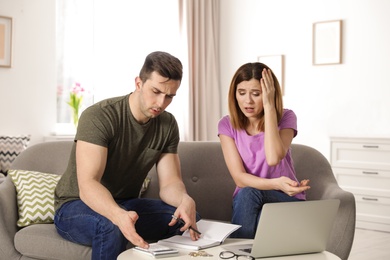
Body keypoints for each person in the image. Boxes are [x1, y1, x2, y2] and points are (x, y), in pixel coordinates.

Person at [54, 51, 200, 260]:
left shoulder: (167, 124)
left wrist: (185, 199)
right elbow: (88, 185)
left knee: (186, 220)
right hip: (75, 205)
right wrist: (118, 216)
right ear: (139, 83)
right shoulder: (100, 116)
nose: (161, 102)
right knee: (110, 226)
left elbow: (170, 183)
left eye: (169, 96)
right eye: (156, 91)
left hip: (126, 203)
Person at [217, 62, 311, 238]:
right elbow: (240, 178)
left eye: (256, 94)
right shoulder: (226, 125)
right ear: (234, 94)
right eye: (242, 93)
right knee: (253, 204)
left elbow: (274, 157)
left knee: (250, 195)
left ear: (268, 94)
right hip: (248, 199)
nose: (248, 101)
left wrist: (269, 107)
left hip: (285, 198)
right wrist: (276, 183)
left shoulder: (286, 117)